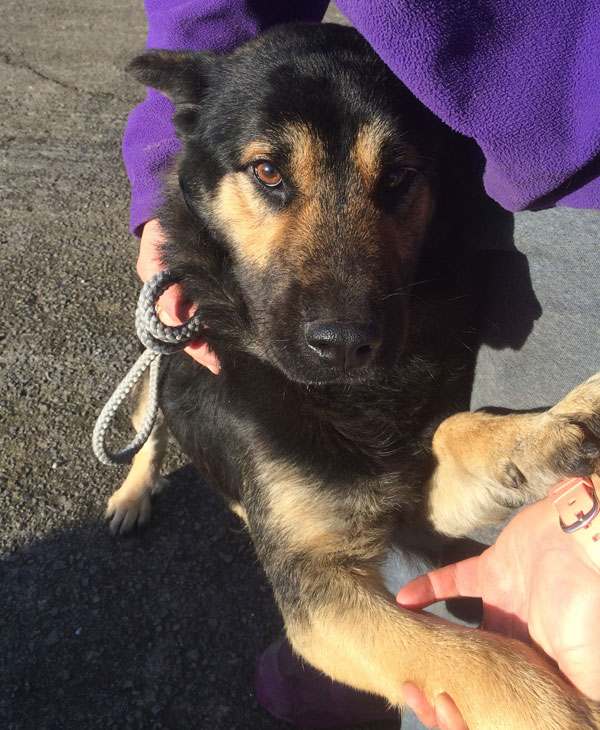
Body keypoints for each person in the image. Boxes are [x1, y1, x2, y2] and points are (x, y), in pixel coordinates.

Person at [123, 2, 600, 728]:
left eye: (393, 183)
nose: (345, 314)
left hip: (560, 162)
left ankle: (329, 680)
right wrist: (167, 138)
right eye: (269, 174)